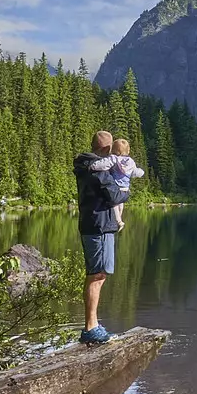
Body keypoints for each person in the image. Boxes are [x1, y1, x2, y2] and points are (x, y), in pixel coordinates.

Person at [74, 130, 129, 345]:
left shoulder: (87, 166)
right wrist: (126, 190)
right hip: (99, 226)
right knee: (97, 275)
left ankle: (93, 325)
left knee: (97, 274)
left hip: (93, 224)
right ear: (107, 151)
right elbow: (115, 195)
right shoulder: (99, 170)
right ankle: (91, 328)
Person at [106, 138, 146, 230]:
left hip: (115, 187)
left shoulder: (113, 159)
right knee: (120, 204)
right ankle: (119, 218)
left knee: (114, 204)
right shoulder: (130, 162)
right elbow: (135, 172)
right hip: (125, 188)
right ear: (127, 150)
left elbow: (106, 168)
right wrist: (142, 172)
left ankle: (118, 221)